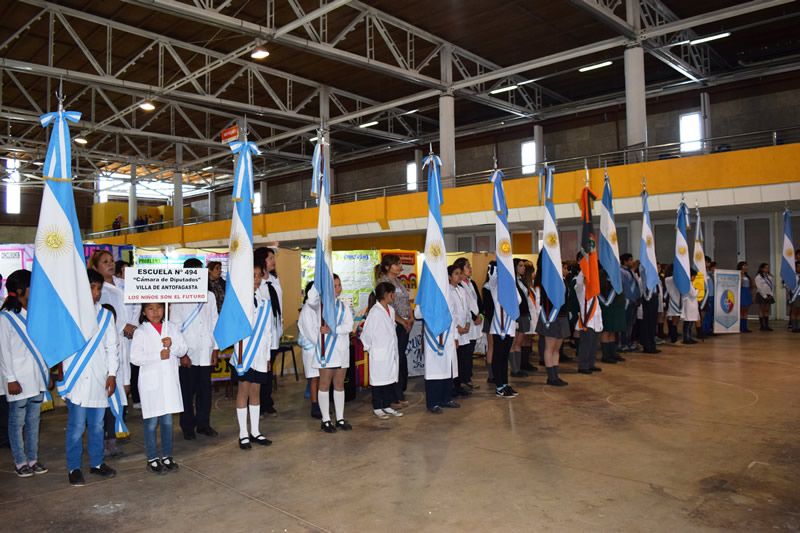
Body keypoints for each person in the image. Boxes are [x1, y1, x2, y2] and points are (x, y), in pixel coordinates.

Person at [61, 269, 119, 486]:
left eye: (98, 288)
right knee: (76, 427)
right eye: (91, 288)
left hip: (99, 378)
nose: (96, 293)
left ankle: (97, 463)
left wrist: (112, 374)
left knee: (97, 425)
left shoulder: (106, 316)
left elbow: (112, 347)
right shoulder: (70, 315)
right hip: (77, 379)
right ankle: (74, 467)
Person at [0, 270, 49, 478]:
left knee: (33, 421)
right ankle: (20, 461)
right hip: (17, 379)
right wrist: (10, 378)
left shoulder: (35, 314)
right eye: (32, 286)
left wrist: (47, 374)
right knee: (17, 421)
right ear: (20, 290)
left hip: (36, 376)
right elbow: (3, 351)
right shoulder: (6, 318)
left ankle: (33, 458)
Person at [130, 302, 188, 474]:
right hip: (151, 383)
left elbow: (183, 349)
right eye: (150, 309)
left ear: (166, 309)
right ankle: (152, 458)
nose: (155, 312)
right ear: (144, 311)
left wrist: (172, 345)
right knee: (151, 422)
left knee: (168, 422)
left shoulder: (171, 327)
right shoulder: (141, 332)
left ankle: (167, 455)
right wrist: (157, 355)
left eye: (159, 308)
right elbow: (135, 358)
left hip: (168, 382)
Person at [170, 258, 219, 440]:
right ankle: (187, 426)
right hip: (187, 353)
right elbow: (174, 327)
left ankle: (203, 424)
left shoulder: (210, 296)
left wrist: (215, 349)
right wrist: (182, 354)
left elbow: (214, 322)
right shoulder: (179, 297)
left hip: (205, 351)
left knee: (205, 391)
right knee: (187, 392)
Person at [232, 262, 274, 449]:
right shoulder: (239, 302)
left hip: (259, 355)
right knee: (244, 392)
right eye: (252, 275)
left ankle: (255, 431)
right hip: (244, 355)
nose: (256, 279)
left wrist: (267, 356)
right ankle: (243, 433)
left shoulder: (265, 302)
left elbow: (268, 331)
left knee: (256, 392)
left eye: (258, 275)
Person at [89, 250, 137, 411]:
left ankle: (119, 421)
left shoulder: (125, 283)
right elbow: (101, 314)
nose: (110, 264)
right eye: (105, 262)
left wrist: (133, 325)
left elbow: (137, 304)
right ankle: (113, 424)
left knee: (127, 383)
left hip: (130, 337)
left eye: (111, 261)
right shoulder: (96, 290)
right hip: (112, 339)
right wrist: (123, 326)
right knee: (114, 381)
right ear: (95, 267)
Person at [310, 274, 355, 432]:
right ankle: (326, 419)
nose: (338, 288)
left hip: (342, 350)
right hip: (326, 350)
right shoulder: (320, 305)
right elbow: (310, 299)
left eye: (339, 285)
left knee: (339, 385)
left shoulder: (344, 306)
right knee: (324, 384)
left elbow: (349, 326)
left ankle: (340, 418)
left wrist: (333, 330)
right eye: (334, 286)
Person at [361, 282, 403, 419]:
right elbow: (366, 334)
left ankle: (386, 405)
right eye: (392, 293)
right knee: (378, 381)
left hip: (390, 352)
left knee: (389, 380)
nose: (394, 295)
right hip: (379, 352)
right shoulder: (374, 312)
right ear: (386, 294)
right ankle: (377, 407)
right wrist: (370, 348)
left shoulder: (390, 310)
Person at [375, 254, 412, 406]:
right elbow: (388, 307)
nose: (400, 267)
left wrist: (410, 317)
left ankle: (400, 391)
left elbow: (406, 302)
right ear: (387, 267)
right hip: (395, 325)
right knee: (396, 360)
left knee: (401, 358)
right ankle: (394, 395)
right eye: (397, 264)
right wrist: (402, 321)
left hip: (404, 324)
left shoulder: (398, 281)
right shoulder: (383, 282)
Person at [485, 261, 521, 397]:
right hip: (499, 326)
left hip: (510, 325)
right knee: (498, 356)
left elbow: (519, 300)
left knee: (505, 356)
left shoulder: (510, 284)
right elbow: (492, 277)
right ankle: (499, 386)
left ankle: (505, 384)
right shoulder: (495, 285)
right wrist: (496, 265)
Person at [535, 255, 570, 387]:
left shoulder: (562, 279)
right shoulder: (548, 280)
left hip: (562, 316)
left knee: (557, 348)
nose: (563, 268)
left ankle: (556, 374)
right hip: (551, 316)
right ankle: (551, 377)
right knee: (550, 348)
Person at [255, 247, 281, 416]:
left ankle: (267, 400)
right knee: (262, 368)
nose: (273, 261)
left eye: (273, 257)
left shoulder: (275, 280)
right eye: (270, 258)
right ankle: (261, 402)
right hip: (262, 334)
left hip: (275, 330)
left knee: (270, 368)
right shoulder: (257, 284)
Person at [454, 257, 484, 387]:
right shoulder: (459, 285)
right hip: (466, 323)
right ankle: (462, 380)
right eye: (467, 266)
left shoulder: (472, 283)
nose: (470, 268)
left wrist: (481, 315)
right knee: (463, 354)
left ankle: (468, 378)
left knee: (469, 352)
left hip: (475, 322)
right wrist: (473, 317)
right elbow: (464, 306)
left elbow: (478, 301)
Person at [298, 282, 322, 419]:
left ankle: (320, 403)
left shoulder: (317, 307)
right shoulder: (307, 310)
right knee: (314, 378)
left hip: (318, 348)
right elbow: (311, 333)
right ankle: (314, 405)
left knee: (320, 377)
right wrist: (322, 342)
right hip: (312, 349)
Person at [450, 264, 473, 397]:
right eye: (456, 273)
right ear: (449, 276)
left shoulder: (461, 289)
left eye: (460, 273)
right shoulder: (448, 291)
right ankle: (453, 386)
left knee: (463, 359)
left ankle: (459, 385)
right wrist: (458, 327)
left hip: (465, 330)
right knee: (455, 360)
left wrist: (468, 323)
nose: (459, 276)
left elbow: (467, 309)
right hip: (456, 330)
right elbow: (451, 313)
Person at [575, 268, 603, 375]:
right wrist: (585, 269)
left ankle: (591, 363)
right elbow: (579, 282)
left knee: (593, 344)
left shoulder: (594, 291)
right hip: (587, 320)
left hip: (595, 321)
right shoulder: (581, 290)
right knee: (586, 344)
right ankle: (583, 365)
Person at [509, 258, 531, 378]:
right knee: (514, 343)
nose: (523, 268)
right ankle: (514, 369)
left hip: (524, 314)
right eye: (520, 265)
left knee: (519, 343)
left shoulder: (521, 280)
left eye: (523, 265)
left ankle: (518, 367)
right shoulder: (512, 281)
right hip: (516, 315)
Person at [598, 268, 625, 364]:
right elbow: (601, 295)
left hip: (615, 309)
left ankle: (612, 353)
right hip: (606, 308)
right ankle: (606, 355)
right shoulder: (602, 280)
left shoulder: (614, 281)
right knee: (606, 331)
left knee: (613, 331)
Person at [619, 253, 641, 352]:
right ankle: (623, 343)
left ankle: (628, 341)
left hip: (633, 301)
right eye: (630, 260)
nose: (632, 262)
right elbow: (626, 288)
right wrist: (631, 298)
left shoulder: (629, 272)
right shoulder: (622, 272)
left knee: (631, 324)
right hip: (627, 301)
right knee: (625, 324)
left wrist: (637, 298)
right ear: (625, 261)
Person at [664, 265, 682, 344]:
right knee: (675, 320)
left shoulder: (667, 279)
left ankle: (672, 335)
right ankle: (673, 338)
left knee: (671, 319)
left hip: (672, 300)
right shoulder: (671, 279)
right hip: (674, 300)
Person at [681, 271, 700, 344]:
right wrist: (697, 290)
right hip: (689, 306)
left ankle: (689, 337)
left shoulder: (689, 284)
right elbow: (693, 294)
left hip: (691, 306)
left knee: (690, 323)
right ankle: (686, 338)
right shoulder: (688, 284)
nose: (695, 278)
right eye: (694, 276)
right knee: (688, 323)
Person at [754, 263, 775, 331]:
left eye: (768, 268)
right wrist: (764, 296)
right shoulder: (758, 277)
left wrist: (771, 294)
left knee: (767, 310)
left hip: (769, 294)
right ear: (761, 268)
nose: (767, 269)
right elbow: (759, 288)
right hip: (761, 295)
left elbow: (772, 286)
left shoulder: (770, 276)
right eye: (765, 268)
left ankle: (766, 325)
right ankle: (762, 326)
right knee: (761, 310)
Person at [738, 261, 753, 333]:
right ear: (740, 267)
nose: (746, 267)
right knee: (742, 311)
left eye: (746, 266)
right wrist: (741, 276)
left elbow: (751, 285)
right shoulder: (739, 275)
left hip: (747, 292)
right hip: (742, 292)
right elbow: (739, 285)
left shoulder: (747, 276)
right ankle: (741, 327)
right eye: (744, 266)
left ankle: (745, 327)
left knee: (746, 311)